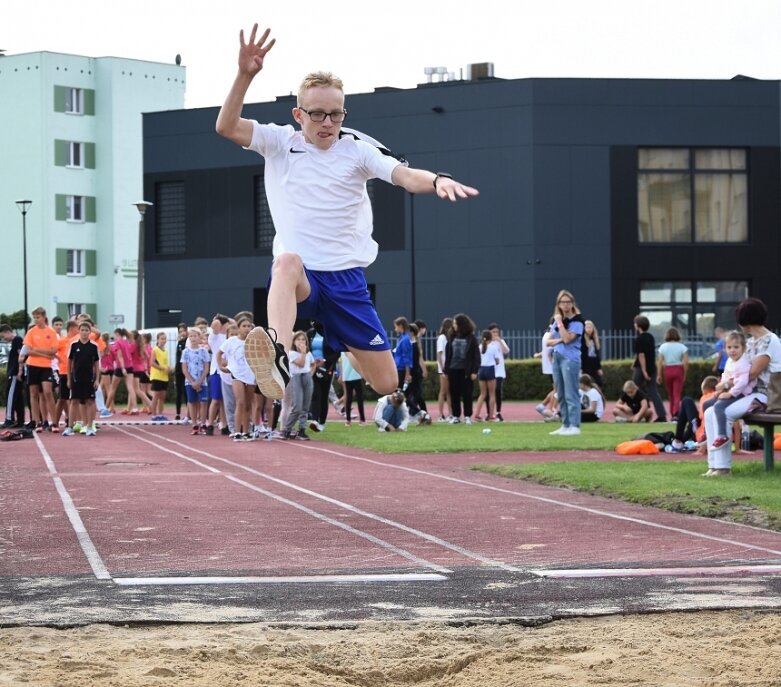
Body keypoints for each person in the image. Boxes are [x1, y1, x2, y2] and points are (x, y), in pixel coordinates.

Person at [216, 24, 478, 402]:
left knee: (387, 384)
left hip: (347, 282)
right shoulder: (278, 143)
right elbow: (226, 126)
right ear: (298, 114)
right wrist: (245, 75)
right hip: (304, 277)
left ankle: (341, 339)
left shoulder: (357, 150)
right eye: (318, 114)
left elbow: (403, 175)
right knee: (285, 263)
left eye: (335, 115)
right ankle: (276, 352)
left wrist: (437, 180)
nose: (327, 124)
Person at [704, 298, 781, 477]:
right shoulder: (752, 341)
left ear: (744, 321)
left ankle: (723, 468)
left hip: (765, 395)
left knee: (724, 412)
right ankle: (714, 465)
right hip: (748, 391)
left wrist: (728, 386)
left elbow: (751, 374)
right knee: (710, 412)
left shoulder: (770, 341)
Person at [707, 330, 753, 450]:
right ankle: (705, 433)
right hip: (730, 390)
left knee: (719, 406)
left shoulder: (743, 363)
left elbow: (742, 382)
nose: (732, 350)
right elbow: (726, 376)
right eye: (729, 347)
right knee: (707, 403)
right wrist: (721, 387)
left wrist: (730, 394)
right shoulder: (729, 361)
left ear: (743, 348)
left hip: (741, 393)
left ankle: (722, 435)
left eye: (736, 347)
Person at [547, 290, 585, 436]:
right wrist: (559, 339)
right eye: (563, 302)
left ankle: (575, 426)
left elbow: (568, 339)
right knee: (560, 394)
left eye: (568, 302)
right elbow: (548, 341)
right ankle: (565, 424)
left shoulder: (577, 321)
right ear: (559, 304)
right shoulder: (557, 321)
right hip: (557, 357)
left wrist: (560, 324)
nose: (566, 305)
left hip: (570, 359)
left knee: (571, 393)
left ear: (572, 303)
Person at [219, 316, 257, 441]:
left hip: (250, 375)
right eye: (244, 326)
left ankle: (246, 431)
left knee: (247, 404)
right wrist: (221, 366)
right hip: (236, 374)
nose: (247, 328)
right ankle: (236, 431)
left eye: (249, 326)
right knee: (240, 401)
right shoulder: (231, 341)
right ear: (239, 328)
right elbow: (219, 353)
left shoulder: (253, 341)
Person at [22, 307, 58, 432]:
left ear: (43, 317)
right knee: (34, 393)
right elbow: (29, 350)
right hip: (32, 365)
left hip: (46, 367)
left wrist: (38, 350)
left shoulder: (51, 332)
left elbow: (54, 351)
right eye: (35, 318)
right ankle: (37, 422)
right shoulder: (31, 332)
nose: (36, 320)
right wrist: (45, 354)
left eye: (38, 317)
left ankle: (54, 423)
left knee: (48, 392)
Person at [63, 322, 100, 437]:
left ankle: (89, 427)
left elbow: (97, 364)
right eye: (82, 330)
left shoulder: (94, 346)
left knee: (90, 401)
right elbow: (69, 363)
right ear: (79, 331)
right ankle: (69, 427)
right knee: (74, 401)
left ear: (90, 332)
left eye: (86, 330)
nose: (84, 332)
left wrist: (97, 379)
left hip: (89, 378)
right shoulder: (73, 345)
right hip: (76, 378)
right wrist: (69, 378)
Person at [444, 313, 480, 425]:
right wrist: (446, 369)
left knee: (467, 394)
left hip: (466, 371)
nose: (453, 325)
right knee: (454, 393)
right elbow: (448, 354)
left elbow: (476, 356)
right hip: (453, 369)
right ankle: (455, 416)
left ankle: (468, 416)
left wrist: (474, 371)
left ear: (461, 324)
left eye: (455, 323)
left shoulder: (471, 338)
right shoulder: (452, 337)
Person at [667, 376, 719, 452]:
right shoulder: (720, 397)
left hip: (702, 434)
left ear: (707, 389)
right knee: (693, 420)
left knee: (686, 401)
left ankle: (678, 441)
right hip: (708, 432)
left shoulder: (706, 397)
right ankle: (679, 440)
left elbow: (703, 417)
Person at [632, 315, 666, 422]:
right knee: (653, 392)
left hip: (642, 369)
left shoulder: (639, 339)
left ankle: (639, 413)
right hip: (652, 367)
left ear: (638, 325)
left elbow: (641, 356)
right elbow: (646, 354)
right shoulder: (650, 337)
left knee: (635, 390)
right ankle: (661, 415)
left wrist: (643, 371)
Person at [282, 330, 315, 440]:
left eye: (303, 339)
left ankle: (302, 430)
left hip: (306, 377)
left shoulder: (308, 353)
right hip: (296, 378)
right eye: (298, 339)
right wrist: (303, 353)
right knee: (298, 406)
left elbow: (313, 364)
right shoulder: (292, 354)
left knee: (305, 406)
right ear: (294, 342)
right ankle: (287, 429)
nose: (301, 342)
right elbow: (300, 364)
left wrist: (310, 373)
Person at [181, 327, 211, 435]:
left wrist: (200, 381)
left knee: (203, 402)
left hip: (202, 382)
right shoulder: (185, 352)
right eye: (191, 336)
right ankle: (194, 424)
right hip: (190, 382)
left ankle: (203, 423)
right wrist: (193, 382)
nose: (193, 338)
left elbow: (206, 368)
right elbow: (184, 369)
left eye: (195, 336)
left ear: (199, 337)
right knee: (192, 403)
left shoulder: (204, 351)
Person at [657, 327, 689, 420]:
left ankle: (672, 412)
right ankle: (676, 413)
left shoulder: (663, 347)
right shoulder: (682, 347)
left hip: (667, 369)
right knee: (677, 393)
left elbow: (659, 362)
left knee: (670, 394)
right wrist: (685, 374)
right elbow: (686, 362)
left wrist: (659, 375)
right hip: (678, 369)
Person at [474, 329, 501, 421]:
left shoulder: (480, 347)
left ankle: (476, 414)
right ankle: (490, 415)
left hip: (481, 370)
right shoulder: (493, 347)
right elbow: (497, 361)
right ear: (490, 337)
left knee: (482, 394)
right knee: (492, 394)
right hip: (490, 369)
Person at [1, 324, 25, 427]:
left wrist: (20, 370)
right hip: (14, 372)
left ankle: (9, 419)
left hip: (15, 373)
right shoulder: (16, 341)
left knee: (10, 395)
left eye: (3, 336)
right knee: (18, 397)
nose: (3, 339)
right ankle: (20, 420)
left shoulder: (17, 340)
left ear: (7, 332)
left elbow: (21, 355)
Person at [487, 323, 510, 421]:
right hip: (490, 370)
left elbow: (506, 351)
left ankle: (498, 412)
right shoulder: (486, 343)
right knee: (489, 393)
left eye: (497, 332)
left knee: (498, 391)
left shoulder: (501, 342)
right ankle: (489, 413)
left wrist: (499, 341)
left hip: (499, 371)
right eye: (493, 332)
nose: (495, 334)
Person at [149, 332, 171, 421]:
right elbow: (152, 363)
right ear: (158, 340)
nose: (163, 341)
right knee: (156, 395)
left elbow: (165, 363)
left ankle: (160, 414)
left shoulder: (166, 351)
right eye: (162, 339)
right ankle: (153, 414)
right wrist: (162, 368)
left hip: (164, 377)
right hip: (156, 376)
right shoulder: (155, 350)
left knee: (162, 396)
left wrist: (168, 369)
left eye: (165, 339)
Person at [340, 351, 366, 426]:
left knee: (349, 398)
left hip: (347, 376)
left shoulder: (343, 351)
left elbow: (341, 363)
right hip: (356, 375)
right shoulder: (354, 349)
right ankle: (362, 420)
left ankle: (348, 420)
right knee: (359, 398)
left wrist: (342, 374)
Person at [435, 317, 453, 422]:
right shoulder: (442, 337)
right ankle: (441, 414)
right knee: (443, 391)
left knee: (449, 391)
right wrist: (442, 368)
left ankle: (451, 414)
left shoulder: (449, 338)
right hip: (444, 369)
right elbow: (439, 353)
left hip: (449, 368)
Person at [580, 320, 603, 386]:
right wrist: (581, 368)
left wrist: (599, 368)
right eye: (587, 327)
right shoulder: (582, 340)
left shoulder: (594, 339)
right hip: (585, 365)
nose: (589, 329)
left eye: (590, 327)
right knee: (586, 383)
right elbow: (582, 354)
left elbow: (597, 355)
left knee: (599, 382)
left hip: (594, 364)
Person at [174, 322, 188, 421]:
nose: (182, 333)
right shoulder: (179, 342)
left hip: (186, 370)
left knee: (186, 391)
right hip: (178, 369)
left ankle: (189, 413)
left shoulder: (188, 341)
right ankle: (178, 413)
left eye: (183, 331)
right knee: (178, 392)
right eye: (180, 331)